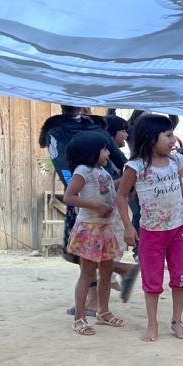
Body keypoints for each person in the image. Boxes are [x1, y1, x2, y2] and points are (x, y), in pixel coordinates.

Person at [39, 105, 137, 311]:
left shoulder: (56, 133)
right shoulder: (96, 132)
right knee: (85, 255)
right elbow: (124, 165)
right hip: (100, 202)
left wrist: (80, 196)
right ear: (84, 107)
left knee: (83, 255)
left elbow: (65, 169)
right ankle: (119, 274)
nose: (107, 152)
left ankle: (94, 302)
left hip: (90, 206)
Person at [116, 114, 183, 342]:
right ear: (151, 138)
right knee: (152, 281)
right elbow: (121, 196)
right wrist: (128, 227)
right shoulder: (135, 166)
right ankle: (152, 323)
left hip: (177, 230)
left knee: (181, 277)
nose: (173, 140)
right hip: (151, 234)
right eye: (168, 135)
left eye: (173, 135)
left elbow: (177, 184)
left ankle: (177, 321)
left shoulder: (175, 161)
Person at [62, 132, 124, 335]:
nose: (108, 153)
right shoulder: (83, 171)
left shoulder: (102, 171)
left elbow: (107, 190)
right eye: (104, 149)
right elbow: (69, 197)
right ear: (91, 151)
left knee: (106, 272)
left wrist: (126, 180)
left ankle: (103, 312)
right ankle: (79, 317)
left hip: (105, 228)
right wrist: (95, 205)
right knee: (87, 274)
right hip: (90, 229)